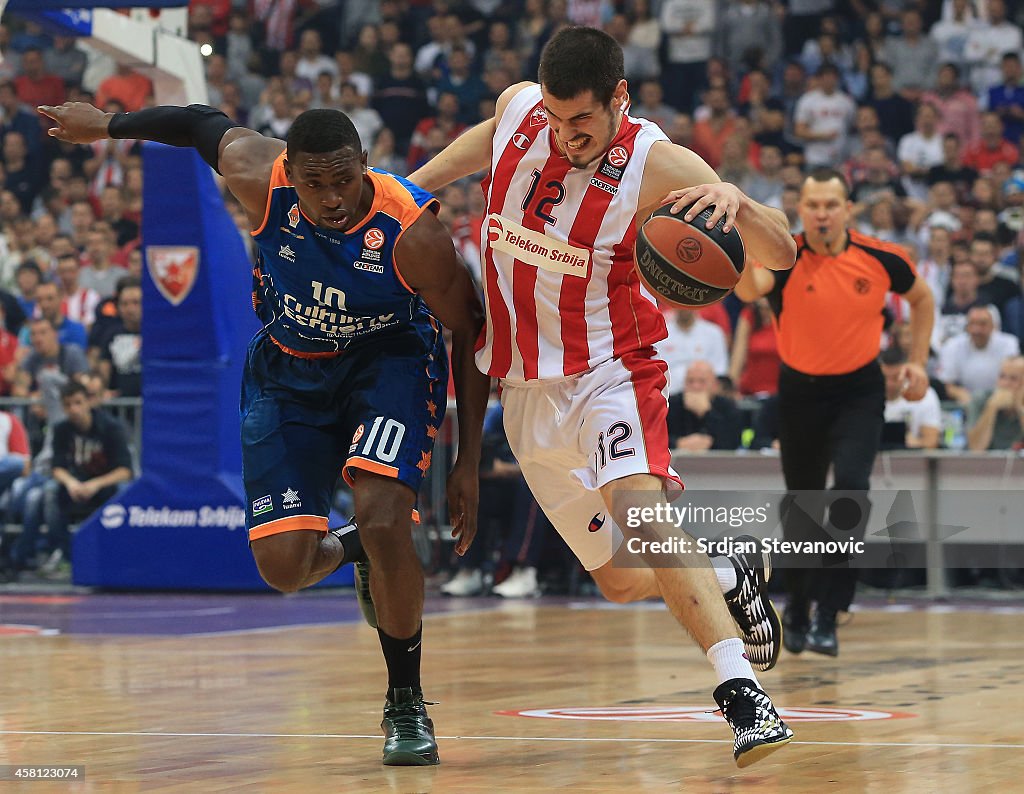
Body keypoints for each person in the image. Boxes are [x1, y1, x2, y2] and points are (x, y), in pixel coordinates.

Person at [39, 98, 489, 767]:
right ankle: (357, 548)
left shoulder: (411, 232)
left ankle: (404, 702)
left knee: (385, 513)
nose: (332, 198)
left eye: (344, 179)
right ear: (291, 174)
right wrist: (106, 124)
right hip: (289, 369)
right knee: (284, 569)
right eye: (315, 184)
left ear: (365, 165)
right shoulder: (257, 173)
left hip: (388, 361)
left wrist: (468, 462)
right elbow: (196, 122)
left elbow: (470, 325)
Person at [409, 26, 795, 766]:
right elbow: (493, 132)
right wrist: (412, 187)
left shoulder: (660, 163)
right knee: (619, 582)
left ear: (619, 98)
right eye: (553, 118)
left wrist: (739, 203)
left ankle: (744, 698)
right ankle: (724, 571)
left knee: (643, 522)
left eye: (580, 121)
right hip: (522, 391)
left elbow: (779, 255)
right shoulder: (525, 109)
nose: (563, 134)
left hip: (609, 373)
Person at [736, 167, 935, 657]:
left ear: (848, 209)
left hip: (859, 392)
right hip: (799, 392)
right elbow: (746, 290)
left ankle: (830, 611)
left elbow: (922, 298)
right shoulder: (785, 257)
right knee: (803, 505)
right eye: (812, 205)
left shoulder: (881, 258)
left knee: (849, 491)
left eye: (830, 205)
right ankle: (798, 608)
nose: (821, 213)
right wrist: (739, 231)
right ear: (800, 210)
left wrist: (918, 363)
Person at [39, 380, 134, 575]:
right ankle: (67, 556)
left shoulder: (111, 427)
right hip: (76, 486)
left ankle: (115, 556)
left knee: (124, 492)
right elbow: (56, 467)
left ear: (89, 402)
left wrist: (95, 484)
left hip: (105, 484)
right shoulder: (62, 429)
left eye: (78, 403)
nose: (74, 409)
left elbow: (126, 470)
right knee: (48, 492)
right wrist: (71, 483)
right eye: (68, 405)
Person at [966, 355, 1024, 451]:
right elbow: (976, 448)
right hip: (986, 464)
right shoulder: (980, 399)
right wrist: (991, 408)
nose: (1005, 383)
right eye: (1002, 376)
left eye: (1013, 379)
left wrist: (1020, 407)